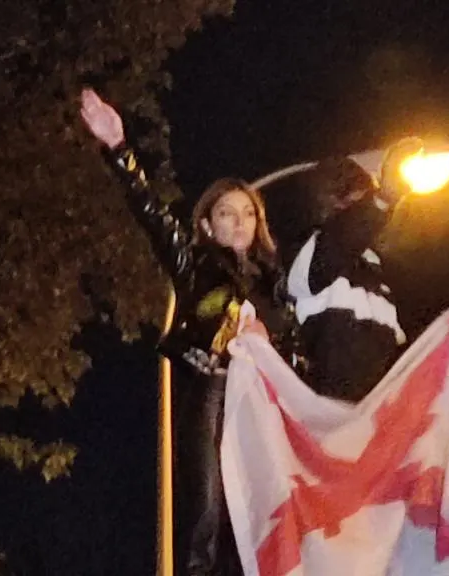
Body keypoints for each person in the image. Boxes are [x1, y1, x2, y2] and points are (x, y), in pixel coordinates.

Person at [80, 88, 296, 576]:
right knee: (206, 510)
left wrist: (274, 342)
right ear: (207, 222)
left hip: (265, 405)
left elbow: (300, 352)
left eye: (247, 213)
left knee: (262, 516)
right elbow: (153, 217)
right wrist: (119, 150)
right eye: (226, 213)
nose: (238, 222)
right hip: (212, 390)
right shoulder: (195, 267)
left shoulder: (276, 284)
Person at [286, 140, 423, 403]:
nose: (367, 213)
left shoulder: (379, 267)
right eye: (356, 203)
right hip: (328, 412)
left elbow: (406, 337)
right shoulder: (307, 251)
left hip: (380, 411)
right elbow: (336, 246)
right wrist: (382, 200)